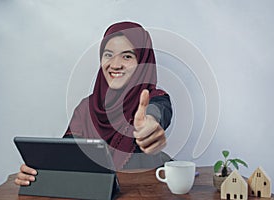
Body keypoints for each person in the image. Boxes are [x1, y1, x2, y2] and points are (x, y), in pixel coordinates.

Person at [15, 21, 173, 186]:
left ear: (143, 61)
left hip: (144, 193)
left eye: (127, 56)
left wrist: (151, 124)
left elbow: (157, 111)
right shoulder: (86, 107)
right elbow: (66, 155)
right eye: (108, 54)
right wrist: (37, 173)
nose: (115, 65)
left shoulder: (155, 98)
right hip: (94, 192)